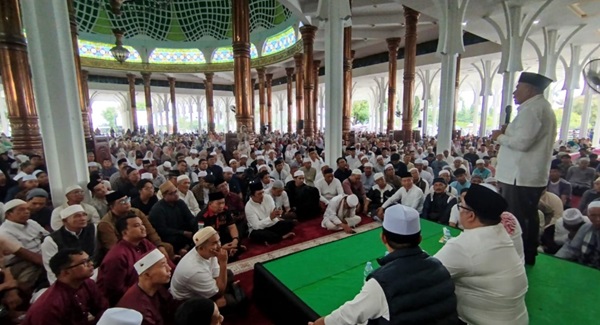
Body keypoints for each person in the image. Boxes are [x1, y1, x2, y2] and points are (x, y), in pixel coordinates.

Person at [309, 204, 457, 325]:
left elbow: (345, 317)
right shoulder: (439, 266)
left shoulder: (382, 282)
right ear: (419, 239)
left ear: (383, 238)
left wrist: (319, 323)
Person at [435, 184, 528, 324]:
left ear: (471, 215)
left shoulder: (463, 246)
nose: (459, 209)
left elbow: (426, 274)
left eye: (461, 206)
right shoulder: (500, 232)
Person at [492, 72, 556, 266]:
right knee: (526, 216)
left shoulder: (533, 110)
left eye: (518, 88)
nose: (514, 92)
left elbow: (523, 143)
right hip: (523, 176)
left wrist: (499, 137)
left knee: (518, 218)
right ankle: (526, 254)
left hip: (520, 177)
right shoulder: (538, 108)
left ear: (530, 89)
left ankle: (517, 257)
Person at [21, 248, 108, 325]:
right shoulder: (51, 305)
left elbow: (102, 310)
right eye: (84, 263)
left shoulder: (87, 283)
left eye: (89, 260)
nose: (91, 264)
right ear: (65, 272)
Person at [170, 228, 245, 311]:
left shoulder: (206, 251)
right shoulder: (195, 271)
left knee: (229, 273)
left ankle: (231, 290)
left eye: (219, 240)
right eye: (214, 243)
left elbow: (216, 274)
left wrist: (219, 282)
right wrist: (223, 263)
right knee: (230, 301)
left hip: (201, 283)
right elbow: (219, 292)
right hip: (187, 302)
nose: (219, 245)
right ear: (201, 248)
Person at [97, 214, 161, 306]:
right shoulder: (117, 256)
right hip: (125, 301)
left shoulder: (144, 243)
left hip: (146, 291)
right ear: (124, 233)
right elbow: (116, 291)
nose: (143, 228)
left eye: (142, 224)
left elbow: (162, 261)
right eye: (136, 226)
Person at [41, 205, 98, 285]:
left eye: (84, 215)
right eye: (77, 216)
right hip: (69, 279)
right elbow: (51, 270)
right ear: (64, 221)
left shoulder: (93, 229)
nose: (82, 218)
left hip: (93, 272)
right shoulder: (51, 240)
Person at [117, 249, 176, 325]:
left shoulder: (158, 288)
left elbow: (173, 307)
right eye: (163, 265)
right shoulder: (140, 310)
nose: (169, 268)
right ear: (147, 275)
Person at [0, 199, 48, 291]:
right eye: (21, 210)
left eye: (27, 209)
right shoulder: (4, 231)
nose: (26, 212)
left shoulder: (32, 223)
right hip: (20, 263)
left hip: (41, 256)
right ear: (8, 214)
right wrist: (50, 263)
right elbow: (25, 254)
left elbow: (47, 237)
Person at [148, 182, 197, 254]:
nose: (176, 195)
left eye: (176, 191)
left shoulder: (180, 202)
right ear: (164, 195)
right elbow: (162, 230)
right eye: (171, 193)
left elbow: (190, 218)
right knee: (173, 239)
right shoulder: (158, 209)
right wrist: (182, 232)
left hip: (184, 231)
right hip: (170, 235)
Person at [197, 192, 243, 260]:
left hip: (222, 236)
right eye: (219, 203)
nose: (221, 206)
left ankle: (232, 249)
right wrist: (220, 247)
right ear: (210, 203)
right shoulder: (202, 217)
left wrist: (235, 240)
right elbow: (201, 240)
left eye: (223, 203)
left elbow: (232, 226)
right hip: (210, 242)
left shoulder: (225, 210)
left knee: (238, 233)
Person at [555, 201, 600, 269]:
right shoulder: (586, 227)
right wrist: (555, 261)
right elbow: (571, 249)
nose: (598, 219)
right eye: (593, 215)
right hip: (584, 267)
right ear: (588, 216)